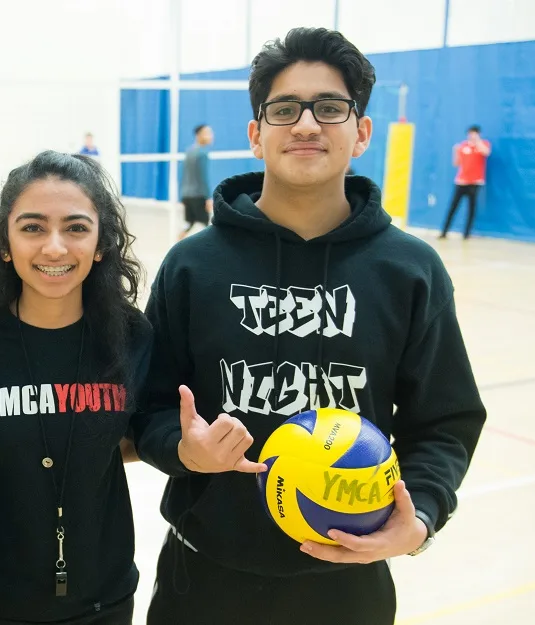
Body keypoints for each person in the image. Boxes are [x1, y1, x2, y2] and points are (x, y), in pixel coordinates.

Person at [136, 27, 486, 625]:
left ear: (362, 132)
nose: (305, 125)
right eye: (283, 109)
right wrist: (184, 451)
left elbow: (447, 418)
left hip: (347, 587)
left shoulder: (409, 268)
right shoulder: (193, 264)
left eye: (329, 108)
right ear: (255, 134)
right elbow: (147, 407)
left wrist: (421, 515)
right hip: (204, 581)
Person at [0, 150, 154, 624]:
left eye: (76, 228)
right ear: (4, 242)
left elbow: (132, 436)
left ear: (101, 243)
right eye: (33, 227)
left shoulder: (131, 336)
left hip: (104, 599)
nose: (54, 248)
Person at [440, 125, 491, 240]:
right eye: (470, 133)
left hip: (475, 183)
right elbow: (456, 163)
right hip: (461, 182)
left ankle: (466, 234)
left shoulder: (483, 144)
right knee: (453, 207)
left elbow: (486, 152)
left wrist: (477, 141)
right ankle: (444, 232)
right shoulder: (463, 146)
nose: (472, 135)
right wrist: (455, 151)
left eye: (474, 133)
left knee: (471, 209)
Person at [179, 124, 213, 240]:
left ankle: (177, 246)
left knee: (188, 223)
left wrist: (182, 195)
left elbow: (183, 176)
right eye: (207, 133)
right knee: (206, 226)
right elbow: (202, 177)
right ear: (199, 135)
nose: (211, 136)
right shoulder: (202, 154)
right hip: (198, 195)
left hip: (186, 195)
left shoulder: (189, 152)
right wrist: (208, 197)